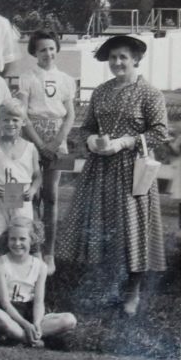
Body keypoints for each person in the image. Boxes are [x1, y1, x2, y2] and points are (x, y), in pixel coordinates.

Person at [59, 35, 168, 316]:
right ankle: (106, 288)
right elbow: (86, 128)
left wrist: (124, 142)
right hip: (101, 169)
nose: (117, 63)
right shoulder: (102, 91)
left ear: (135, 59)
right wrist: (93, 140)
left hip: (134, 169)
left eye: (123, 57)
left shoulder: (149, 93)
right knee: (101, 229)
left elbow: (159, 132)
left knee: (133, 230)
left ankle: (132, 292)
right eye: (113, 58)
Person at [19, 30, 75, 273]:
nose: (48, 54)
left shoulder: (66, 79)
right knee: (29, 194)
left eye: (52, 48)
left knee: (51, 196)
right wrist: (40, 144)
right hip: (31, 136)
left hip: (58, 138)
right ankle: (34, 249)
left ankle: (49, 254)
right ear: (34, 52)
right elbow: (21, 114)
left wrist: (56, 141)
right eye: (42, 49)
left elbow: (70, 114)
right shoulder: (27, 77)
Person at [0, 217, 77, 346]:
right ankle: (33, 340)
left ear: (32, 240)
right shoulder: (0, 264)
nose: (17, 243)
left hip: (30, 311)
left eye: (22, 239)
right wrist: (25, 324)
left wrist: (36, 323)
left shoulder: (40, 266)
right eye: (13, 239)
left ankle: (22, 336)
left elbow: (38, 302)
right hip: (8, 311)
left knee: (70, 320)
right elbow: (5, 303)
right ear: (7, 240)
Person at [0, 100, 40, 244]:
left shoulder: (30, 148)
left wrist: (33, 190)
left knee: (23, 237)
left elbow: (37, 176)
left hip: (22, 200)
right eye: (6, 120)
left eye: (15, 120)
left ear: (23, 122)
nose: (10, 124)